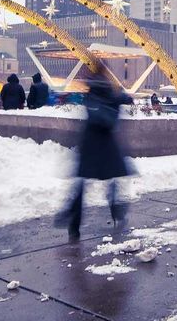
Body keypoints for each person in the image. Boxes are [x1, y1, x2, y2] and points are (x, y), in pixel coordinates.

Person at [55, 69, 135, 240]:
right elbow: (109, 114)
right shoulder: (105, 95)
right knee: (106, 181)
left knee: (87, 184)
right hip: (103, 146)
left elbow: (104, 113)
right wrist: (120, 100)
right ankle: (114, 213)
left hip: (93, 145)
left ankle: (74, 223)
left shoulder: (94, 95)